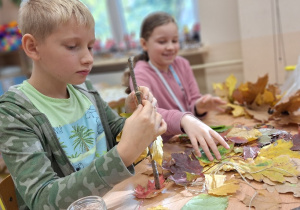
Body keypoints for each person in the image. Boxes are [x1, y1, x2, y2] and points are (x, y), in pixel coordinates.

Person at [0, 1, 167, 209]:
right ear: (33, 47)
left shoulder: (84, 91)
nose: (89, 58)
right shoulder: (14, 113)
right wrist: (122, 154)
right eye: (72, 47)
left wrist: (134, 116)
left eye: (90, 47)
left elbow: (116, 132)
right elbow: (42, 199)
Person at [129, 12, 229, 159]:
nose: (170, 47)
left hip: (189, 140)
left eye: (175, 40)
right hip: (163, 149)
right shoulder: (140, 74)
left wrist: (200, 106)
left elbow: (193, 100)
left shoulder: (182, 64)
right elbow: (149, 114)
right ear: (144, 44)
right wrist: (183, 119)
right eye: (162, 42)